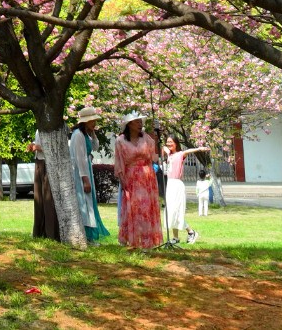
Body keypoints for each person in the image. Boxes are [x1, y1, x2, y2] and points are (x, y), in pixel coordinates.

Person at [113, 112, 162, 250]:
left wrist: (156, 140)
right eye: (137, 122)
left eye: (141, 122)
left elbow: (154, 157)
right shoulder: (120, 141)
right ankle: (131, 238)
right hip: (131, 177)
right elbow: (119, 162)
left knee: (146, 208)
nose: (140, 124)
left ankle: (147, 241)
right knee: (133, 207)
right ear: (129, 125)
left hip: (147, 176)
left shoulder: (146, 138)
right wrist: (122, 181)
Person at [68, 105, 109, 243]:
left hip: (86, 169)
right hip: (81, 173)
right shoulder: (78, 135)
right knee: (83, 203)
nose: (94, 123)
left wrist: (93, 134)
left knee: (88, 202)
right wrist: (85, 180)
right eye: (92, 121)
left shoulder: (85, 134)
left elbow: (95, 147)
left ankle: (89, 235)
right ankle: (85, 234)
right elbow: (79, 158)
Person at [162, 136, 209, 245]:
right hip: (169, 184)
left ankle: (191, 232)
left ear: (176, 143)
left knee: (176, 211)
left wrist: (199, 149)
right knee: (171, 211)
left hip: (177, 185)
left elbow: (188, 151)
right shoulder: (169, 155)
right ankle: (176, 238)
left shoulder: (180, 154)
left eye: (171, 142)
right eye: (168, 142)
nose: (169, 144)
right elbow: (163, 147)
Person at [30, 137, 59, 240]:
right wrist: (32, 146)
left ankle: (51, 233)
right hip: (39, 161)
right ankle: (39, 231)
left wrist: (39, 147)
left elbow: (56, 148)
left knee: (48, 200)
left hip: (48, 164)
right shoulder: (39, 129)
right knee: (39, 199)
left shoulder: (52, 128)